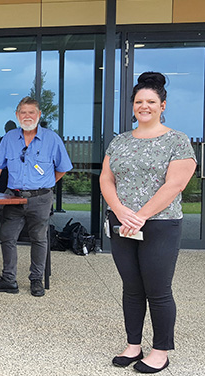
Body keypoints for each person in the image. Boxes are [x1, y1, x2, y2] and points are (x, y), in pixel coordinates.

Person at [100, 72, 196, 374]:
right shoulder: (120, 141)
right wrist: (120, 211)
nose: (145, 106)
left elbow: (175, 185)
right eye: (139, 101)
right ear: (133, 106)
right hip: (122, 224)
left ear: (162, 105)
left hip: (160, 225)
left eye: (151, 101)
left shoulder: (177, 141)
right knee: (131, 287)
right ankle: (133, 344)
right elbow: (106, 178)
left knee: (158, 289)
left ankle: (161, 350)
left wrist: (140, 215)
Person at [0, 96, 72, 297]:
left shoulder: (52, 139)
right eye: (23, 112)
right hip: (14, 197)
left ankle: (36, 280)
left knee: (39, 239)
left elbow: (63, 168)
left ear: (39, 115)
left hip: (41, 198)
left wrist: (46, 184)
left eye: (32, 112)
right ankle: (8, 279)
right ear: (17, 115)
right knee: (7, 236)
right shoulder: (10, 138)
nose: (27, 116)